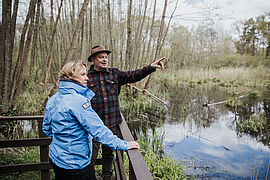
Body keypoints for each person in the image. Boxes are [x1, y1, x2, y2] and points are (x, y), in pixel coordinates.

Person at [42, 60, 139, 180]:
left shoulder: (53, 98)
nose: (87, 78)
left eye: (86, 74)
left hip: (57, 158)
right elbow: (99, 131)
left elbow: (46, 129)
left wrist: (64, 138)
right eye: (82, 74)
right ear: (71, 76)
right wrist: (123, 144)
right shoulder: (78, 101)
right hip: (76, 164)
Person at [87, 45, 165, 179]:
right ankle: (89, 177)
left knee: (109, 154)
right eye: (101, 57)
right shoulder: (86, 77)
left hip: (113, 123)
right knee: (90, 155)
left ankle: (107, 176)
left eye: (106, 57)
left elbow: (133, 75)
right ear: (93, 59)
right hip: (94, 125)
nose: (104, 60)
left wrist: (150, 67)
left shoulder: (114, 73)